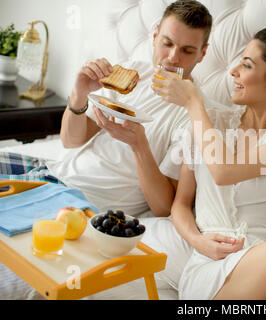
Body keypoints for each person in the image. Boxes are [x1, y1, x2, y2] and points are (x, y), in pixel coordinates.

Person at [149, 13, 266, 299]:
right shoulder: (209, 122)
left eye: (246, 65)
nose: (233, 72)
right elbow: (180, 205)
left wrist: (193, 103)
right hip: (212, 271)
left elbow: (225, 171)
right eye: (239, 61)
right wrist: (197, 241)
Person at [0, 0, 213, 217]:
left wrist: (139, 145)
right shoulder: (132, 73)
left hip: (79, 198)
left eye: (187, 50)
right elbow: (71, 140)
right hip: (54, 171)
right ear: (155, 36)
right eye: (167, 43)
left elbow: (164, 207)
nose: (173, 58)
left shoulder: (196, 115)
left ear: (202, 54)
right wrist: (79, 94)